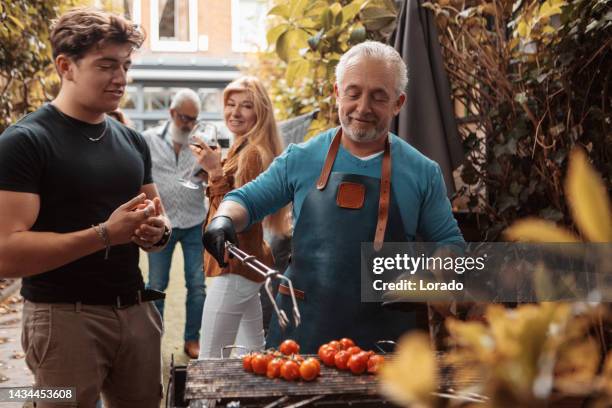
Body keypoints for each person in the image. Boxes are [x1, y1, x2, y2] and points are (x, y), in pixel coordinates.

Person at [202, 41, 465, 353]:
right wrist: (223, 219)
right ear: (337, 93)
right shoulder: (301, 157)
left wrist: (430, 276)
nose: (363, 107)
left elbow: (449, 244)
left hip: (386, 342)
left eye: (379, 96)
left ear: (398, 103)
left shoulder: (423, 171)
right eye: (353, 93)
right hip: (301, 335)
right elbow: (247, 200)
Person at [0, 8, 170, 407]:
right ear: (66, 66)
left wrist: (156, 232)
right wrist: (106, 234)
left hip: (136, 313)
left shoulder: (133, 141)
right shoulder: (24, 142)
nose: (121, 78)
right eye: (107, 65)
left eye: (125, 65)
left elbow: (159, 221)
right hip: (62, 319)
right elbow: (6, 254)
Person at [190, 76, 289, 358]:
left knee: (211, 358)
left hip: (235, 262)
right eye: (230, 104)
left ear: (260, 112)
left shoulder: (253, 154)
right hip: (246, 264)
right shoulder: (241, 148)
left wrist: (214, 173)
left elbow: (235, 216)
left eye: (246, 106)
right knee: (251, 354)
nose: (235, 112)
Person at [141, 88, 207, 359]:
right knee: (156, 284)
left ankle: (192, 339)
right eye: (184, 118)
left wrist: (211, 171)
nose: (189, 124)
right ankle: (152, 338)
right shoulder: (147, 140)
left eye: (193, 119)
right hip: (161, 224)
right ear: (171, 113)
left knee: (197, 285)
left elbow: (216, 175)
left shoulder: (202, 143)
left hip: (194, 221)